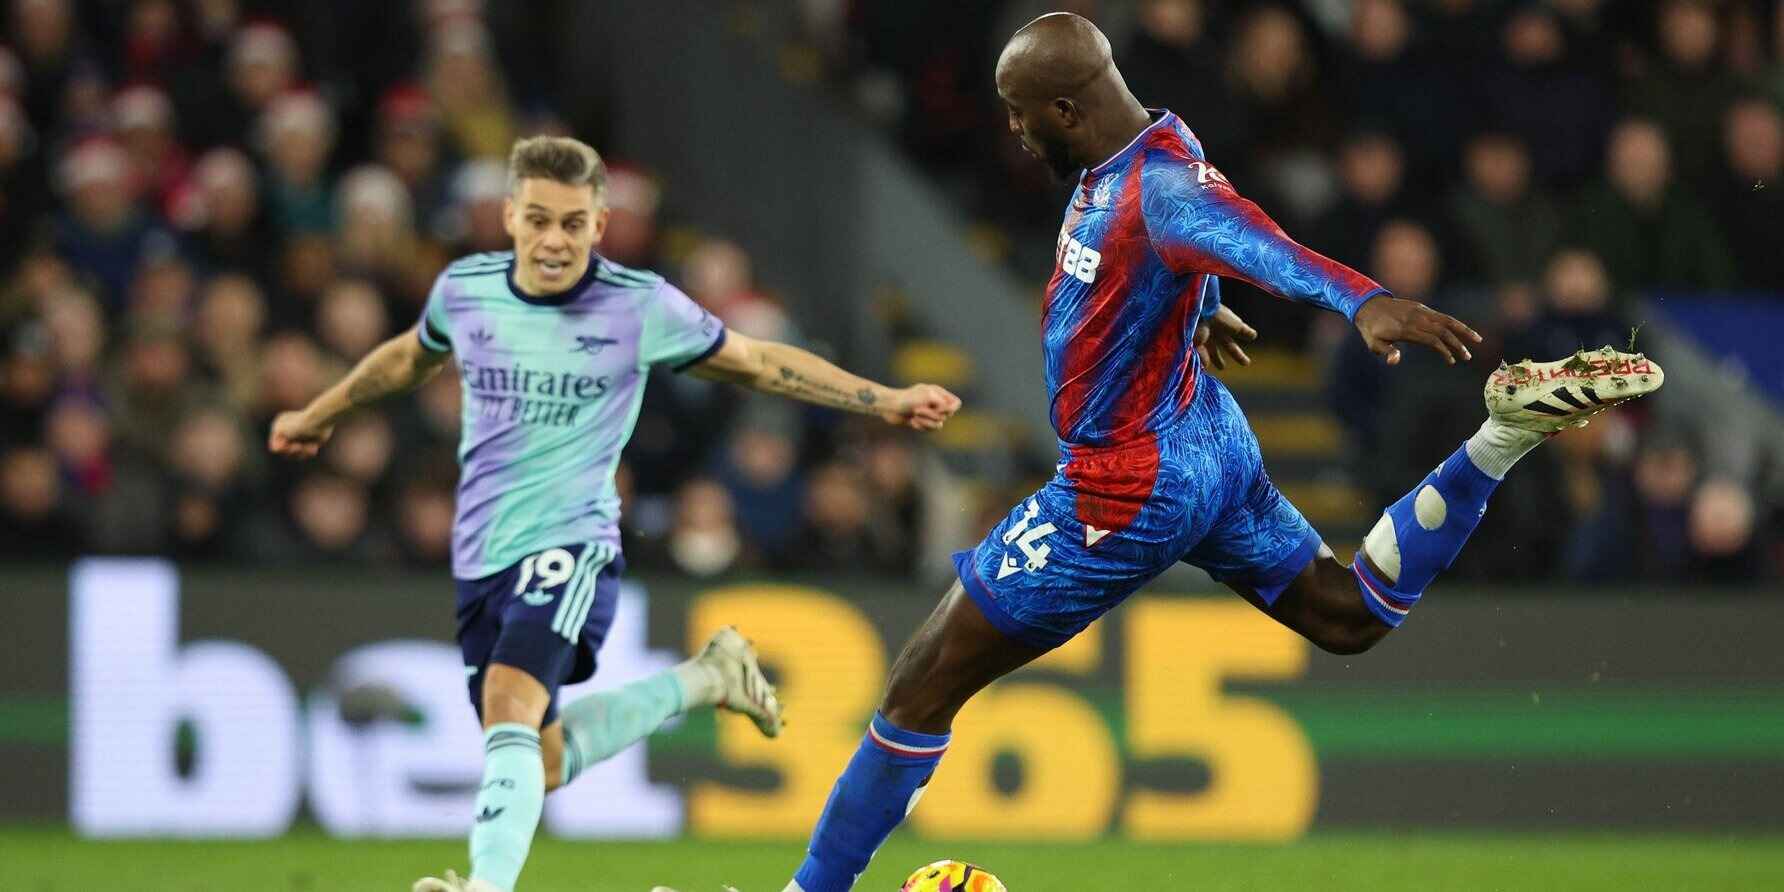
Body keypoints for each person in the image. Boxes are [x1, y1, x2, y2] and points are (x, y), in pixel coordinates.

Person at [748, 15, 1664, 892]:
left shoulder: (1160, 183)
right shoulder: (1142, 145)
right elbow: (1159, 257)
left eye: (1021, 114)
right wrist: (1182, 307)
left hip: (1125, 483)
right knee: (1349, 614)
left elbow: (1250, 236)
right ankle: (1501, 438)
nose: (1016, 133)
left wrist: (1363, 300)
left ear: (1066, 109)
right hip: (1203, 432)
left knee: (918, 685)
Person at [267, 135, 961, 892]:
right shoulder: (466, 291)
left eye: (572, 222)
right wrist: (320, 410)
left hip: (571, 540)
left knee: (508, 701)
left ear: (599, 225)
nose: (554, 239)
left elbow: (761, 362)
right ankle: (701, 682)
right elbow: (408, 356)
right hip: (482, 553)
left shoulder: (636, 306)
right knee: (540, 755)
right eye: (537, 219)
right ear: (509, 216)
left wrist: (885, 399)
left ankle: (484, 887)